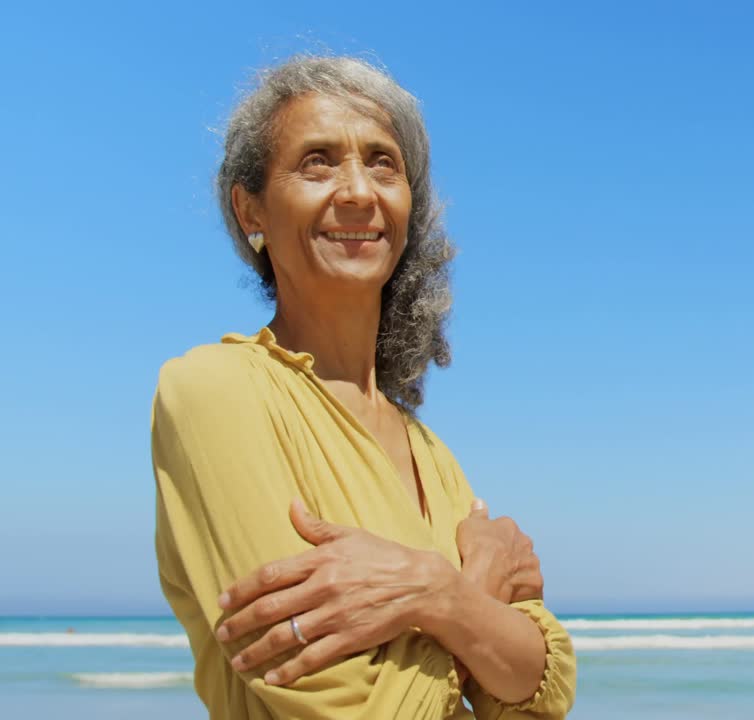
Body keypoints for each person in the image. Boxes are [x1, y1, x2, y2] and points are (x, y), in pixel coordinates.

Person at [151, 55, 576, 719]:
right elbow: (336, 703)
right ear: (250, 209)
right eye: (317, 161)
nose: (357, 191)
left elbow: (541, 697)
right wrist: (471, 594)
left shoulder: (431, 454)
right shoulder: (213, 391)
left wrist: (433, 596)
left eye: (382, 162)